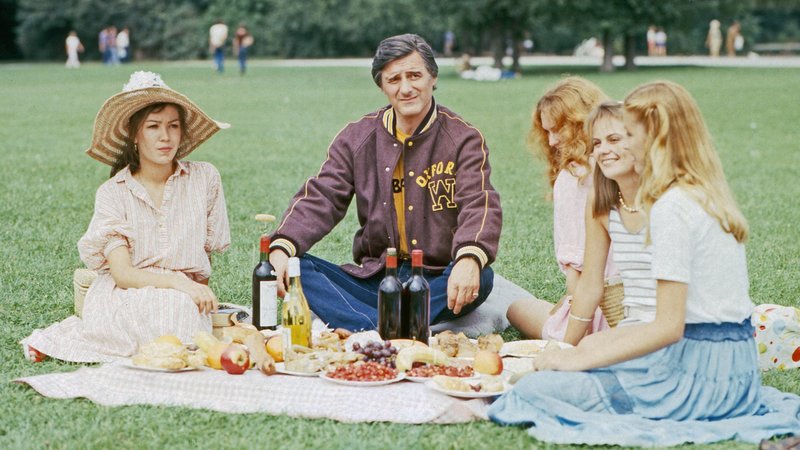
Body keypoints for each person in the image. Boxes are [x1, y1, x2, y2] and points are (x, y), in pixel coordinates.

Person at [488, 81, 800, 446]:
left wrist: (576, 359)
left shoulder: (671, 207)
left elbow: (668, 327)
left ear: (656, 137)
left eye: (626, 134)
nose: (607, 147)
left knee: (533, 391)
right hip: (729, 371)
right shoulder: (696, 194)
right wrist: (582, 349)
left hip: (692, 374)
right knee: (570, 364)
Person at [268, 33, 502, 332]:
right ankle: (386, 326)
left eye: (415, 75)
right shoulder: (356, 138)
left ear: (433, 77)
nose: (406, 88)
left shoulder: (463, 139)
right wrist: (282, 248)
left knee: (482, 276)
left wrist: (469, 258)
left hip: (434, 280)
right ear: (382, 86)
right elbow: (322, 196)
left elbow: (479, 203)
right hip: (375, 280)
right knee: (293, 266)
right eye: (394, 79)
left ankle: (364, 325)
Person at [20, 71, 231, 363]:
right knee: (158, 319)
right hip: (126, 292)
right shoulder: (113, 192)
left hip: (181, 297)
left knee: (181, 314)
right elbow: (123, 274)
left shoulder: (204, 178)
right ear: (134, 134)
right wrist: (179, 284)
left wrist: (194, 292)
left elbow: (204, 262)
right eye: (153, 126)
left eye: (173, 126)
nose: (165, 136)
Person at [506, 77, 616, 344]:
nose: (552, 142)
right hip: (644, 308)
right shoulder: (628, 164)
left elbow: (577, 274)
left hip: (600, 314)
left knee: (516, 309)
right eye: (547, 132)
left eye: (558, 130)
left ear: (581, 123)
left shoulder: (573, 178)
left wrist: (570, 335)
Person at [561, 101, 650, 345]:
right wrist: (565, 348)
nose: (603, 150)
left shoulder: (667, 199)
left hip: (675, 330)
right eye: (597, 143)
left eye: (614, 139)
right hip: (632, 329)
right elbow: (590, 285)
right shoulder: (601, 202)